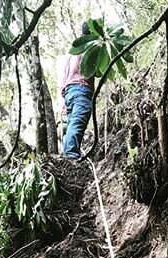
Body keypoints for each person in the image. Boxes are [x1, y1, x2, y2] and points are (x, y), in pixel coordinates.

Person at [60, 22, 95, 160]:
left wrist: (64, 97)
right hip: (81, 89)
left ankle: (72, 154)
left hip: (69, 92)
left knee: (72, 124)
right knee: (76, 123)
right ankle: (71, 156)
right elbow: (96, 71)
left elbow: (64, 77)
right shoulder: (90, 47)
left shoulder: (73, 51)